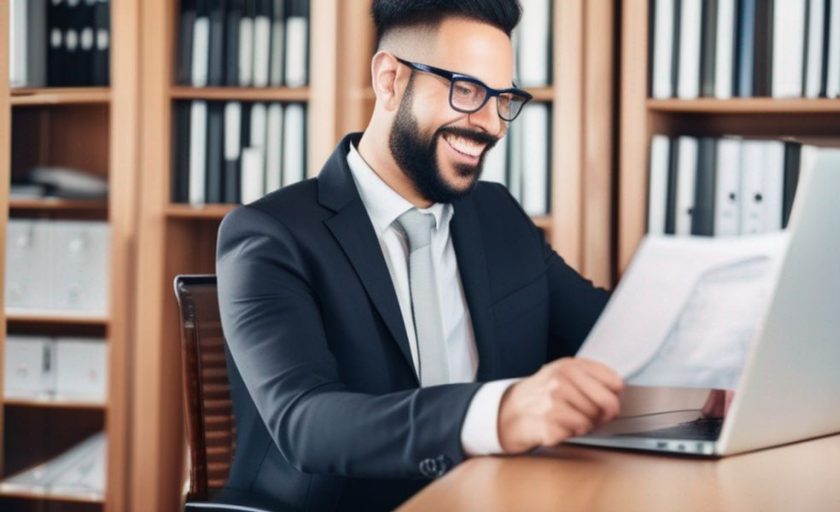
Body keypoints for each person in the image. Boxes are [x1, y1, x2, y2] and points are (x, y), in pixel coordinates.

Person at [215, 1, 624, 509]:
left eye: (503, 99)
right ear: (389, 79)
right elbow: (305, 422)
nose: (492, 124)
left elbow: (608, 334)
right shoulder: (271, 236)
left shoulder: (498, 215)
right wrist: (496, 414)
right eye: (468, 90)